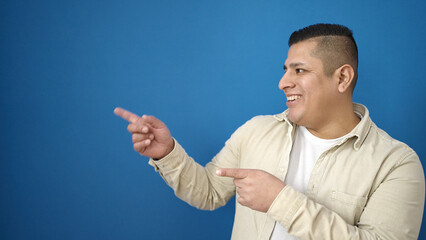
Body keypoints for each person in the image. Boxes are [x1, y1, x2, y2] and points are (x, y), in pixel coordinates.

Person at [114, 23, 425, 239]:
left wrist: (280, 200)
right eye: (285, 69)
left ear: (342, 78)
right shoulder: (256, 131)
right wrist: (167, 154)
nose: (283, 82)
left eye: (299, 70)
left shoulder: (397, 164)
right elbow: (208, 191)